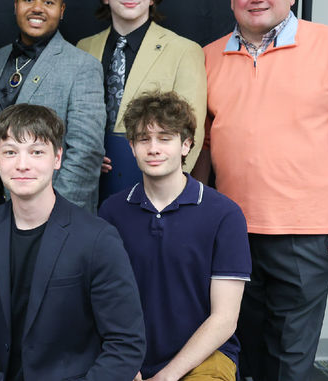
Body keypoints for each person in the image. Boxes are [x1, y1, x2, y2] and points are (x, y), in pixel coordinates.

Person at [192, 0, 328, 380]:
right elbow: (202, 144)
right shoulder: (208, 57)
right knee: (240, 345)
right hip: (230, 227)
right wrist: (197, 213)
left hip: (308, 232)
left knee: (289, 355)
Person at [0, 103, 145, 380]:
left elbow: (126, 343)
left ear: (57, 158)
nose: (22, 164)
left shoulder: (97, 238)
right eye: (10, 152)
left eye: (37, 152)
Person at [100, 91, 250, 380]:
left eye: (165, 138)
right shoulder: (111, 212)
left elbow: (225, 319)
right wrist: (126, 364)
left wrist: (168, 377)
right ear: (131, 147)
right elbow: (103, 302)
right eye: (144, 139)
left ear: (186, 145)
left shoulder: (225, 215)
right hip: (129, 354)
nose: (153, 148)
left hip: (205, 356)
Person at [77, 0, 206, 202]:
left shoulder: (183, 50)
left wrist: (173, 190)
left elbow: (193, 129)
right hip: (88, 183)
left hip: (155, 183)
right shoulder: (83, 47)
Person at [0, 0, 106, 211]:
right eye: (29, 0)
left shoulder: (83, 65)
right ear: (16, 6)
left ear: (61, 11)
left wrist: (54, 211)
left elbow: (86, 151)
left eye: (48, 2)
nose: (37, 8)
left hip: (56, 210)